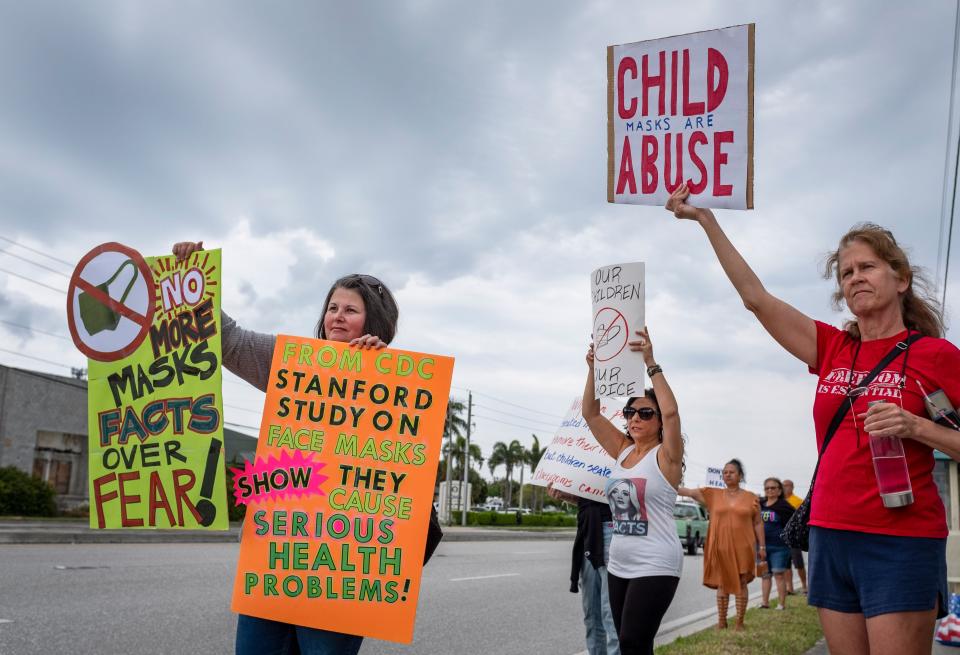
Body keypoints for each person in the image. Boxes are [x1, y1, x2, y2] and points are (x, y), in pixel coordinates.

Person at [667, 185, 960, 655]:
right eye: (846, 273)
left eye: (867, 267)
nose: (855, 278)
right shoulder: (834, 348)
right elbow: (756, 299)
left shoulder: (936, 356)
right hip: (829, 535)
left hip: (900, 540)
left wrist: (917, 427)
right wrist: (706, 221)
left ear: (901, 278)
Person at [173, 240, 399, 655]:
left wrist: (380, 372)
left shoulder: (399, 379)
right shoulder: (290, 361)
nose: (337, 317)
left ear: (375, 321)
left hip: (340, 567)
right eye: (332, 308)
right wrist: (193, 282)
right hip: (275, 557)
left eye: (350, 310)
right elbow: (229, 340)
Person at [582, 327, 684, 655]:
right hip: (620, 563)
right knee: (635, 645)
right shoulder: (623, 450)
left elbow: (671, 411)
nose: (635, 418)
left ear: (658, 422)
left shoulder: (666, 456)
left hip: (656, 562)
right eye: (630, 412)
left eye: (645, 412)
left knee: (631, 641)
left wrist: (651, 363)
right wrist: (594, 370)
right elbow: (591, 413)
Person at [679, 459, 763, 631]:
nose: (727, 474)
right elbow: (686, 491)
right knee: (722, 582)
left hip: (744, 546)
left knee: (741, 582)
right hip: (720, 546)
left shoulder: (751, 498)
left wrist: (762, 547)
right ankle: (722, 621)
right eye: (725, 472)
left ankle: (740, 621)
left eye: (732, 472)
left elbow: (758, 523)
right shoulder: (712, 494)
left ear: (740, 475)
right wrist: (666, 477)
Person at [548, 484, 620, 655]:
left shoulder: (621, 458)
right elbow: (588, 498)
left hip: (612, 528)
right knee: (592, 616)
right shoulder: (586, 458)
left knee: (611, 615)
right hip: (588, 530)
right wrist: (566, 495)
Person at [758, 477, 795, 610]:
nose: (770, 490)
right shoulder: (760, 504)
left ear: (779, 491)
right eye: (767, 488)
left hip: (780, 547)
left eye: (773, 488)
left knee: (779, 574)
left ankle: (781, 604)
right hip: (762, 547)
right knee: (765, 575)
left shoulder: (785, 507)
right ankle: (764, 603)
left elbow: (792, 525)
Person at [781, 479, 807, 595]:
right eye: (783, 486)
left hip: (793, 536)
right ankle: (789, 588)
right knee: (786, 565)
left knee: (799, 564)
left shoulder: (798, 501)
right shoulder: (780, 501)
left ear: (792, 487)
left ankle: (804, 586)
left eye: (787, 486)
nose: (785, 488)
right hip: (782, 537)